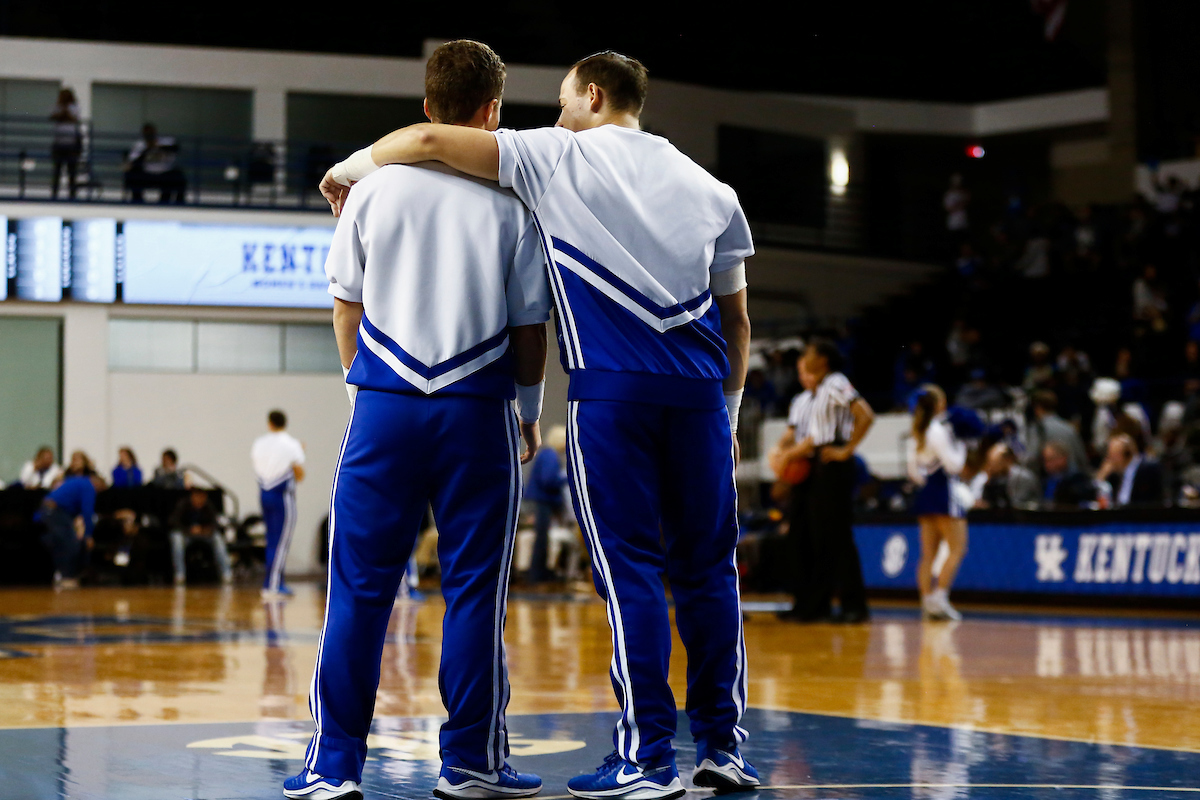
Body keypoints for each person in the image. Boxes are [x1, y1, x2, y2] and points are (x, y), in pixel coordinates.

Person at [322, 49, 758, 799]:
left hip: (603, 396)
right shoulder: (714, 189)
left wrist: (349, 164)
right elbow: (739, 318)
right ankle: (721, 748)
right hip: (696, 398)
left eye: (562, 101)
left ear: (592, 95)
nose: (554, 116)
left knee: (630, 577)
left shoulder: (555, 159)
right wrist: (730, 411)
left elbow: (420, 157)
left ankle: (647, 758)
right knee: (710, 573)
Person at [291, 41, 551, 800]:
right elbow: (530, 331)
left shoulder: (371, 195)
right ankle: (471, 761)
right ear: (491, 113)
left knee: (359, 592)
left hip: (386, 409)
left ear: (426, 108)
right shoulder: (514, 202)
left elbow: (347, 305)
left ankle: (333, 765)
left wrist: (360, 396)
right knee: (475, 592)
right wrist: (528, 416)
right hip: (479, 411)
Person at [792, 338, 875, 625]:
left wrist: (846, 450)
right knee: (822, 539)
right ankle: (820, 605)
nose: (805, 356)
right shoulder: (819, 390)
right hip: (820, 463)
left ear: (823, 359)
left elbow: (865, 415)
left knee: (838, 538)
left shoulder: (837, 382)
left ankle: (855, 606)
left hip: (835, 463)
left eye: (810, 352)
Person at [907, 386, 968, 622]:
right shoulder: (938, 430)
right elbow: (953, 466)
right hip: (944, 492)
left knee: (928, 554)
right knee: (957, 548)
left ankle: (926, 601)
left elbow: (914, 473)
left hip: (925, 494)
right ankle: (940, 598)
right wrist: (961, 448)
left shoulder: (917, 432)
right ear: (939, 405)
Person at [770, 352, 820, 621]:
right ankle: (799, 602)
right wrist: (777, 450)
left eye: (808, 371)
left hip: (816, 469)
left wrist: (788, 456)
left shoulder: (824, 397)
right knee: (796, 540)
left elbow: (813, 438)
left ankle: (815, 604)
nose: (804, 377)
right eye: (801, 372)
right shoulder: (800, 400)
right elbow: (790, 433)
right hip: (799, 475)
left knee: (815, 540)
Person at [251, 410, 305, 598]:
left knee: (272, 541)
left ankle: (274, 582)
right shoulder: (291, 444)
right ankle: (273, 585)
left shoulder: (258, 443)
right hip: (282, 496)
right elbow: (300, 475)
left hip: (264, 494)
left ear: (269, 423)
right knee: (281, 543)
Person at [36, 474, 99, 588]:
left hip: (48, 511)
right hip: (56, 512)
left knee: (60, 541)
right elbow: (87, 512)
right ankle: (66, 577)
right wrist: (88, 535)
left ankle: (64, 576)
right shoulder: (89, 486)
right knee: (69, 544)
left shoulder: (77, 481)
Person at [525, 425, 569, 584]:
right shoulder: (550, 456)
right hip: (542, 502)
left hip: (540, 501)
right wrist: (567, 477)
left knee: (542, 539)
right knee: (541, 540)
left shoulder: (546, 454)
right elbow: (548, 480)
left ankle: (538, 574)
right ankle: (537, 576)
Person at [168, 487, 232, 586]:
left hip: (204, 534)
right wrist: (189, 529)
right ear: (192, 497)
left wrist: (204, 529)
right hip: (186, 535)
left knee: (218, 538)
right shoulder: (183, 504)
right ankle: (180, 574)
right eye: (197, 497)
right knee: (176, 539)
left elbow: (215, 524)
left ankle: (226, 573)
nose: (200, 500)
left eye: (202, 498)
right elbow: (173, 522)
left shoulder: (208, 505)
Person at [124, 123, 186, 203]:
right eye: (147, 134)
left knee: (178, 176)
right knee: (132, 175)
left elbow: (175, 148)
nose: (149, 135)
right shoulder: (140, 144)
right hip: (147, 173)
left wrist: (158, 147)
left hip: (165, 173)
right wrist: (147, 150)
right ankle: (137, 200)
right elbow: (133, 162)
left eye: (151, 133)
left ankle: (174, 202)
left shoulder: (164, 141)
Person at [1097, 434, 1164, 507]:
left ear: (1121, 456)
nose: (1108, 461)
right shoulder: (1114, 476)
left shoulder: (1149, 469)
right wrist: (1101, 476)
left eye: (1111, 456)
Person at [49, 88, 82, 200]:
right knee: (57, 170)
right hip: (59, 142)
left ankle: (72, 194)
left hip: (70, 143)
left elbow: (74, 118)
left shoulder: (74, 107)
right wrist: (62, 114)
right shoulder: (57, 106)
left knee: (71, 171)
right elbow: (52, 116)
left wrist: (65, 114)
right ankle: (54, 193)